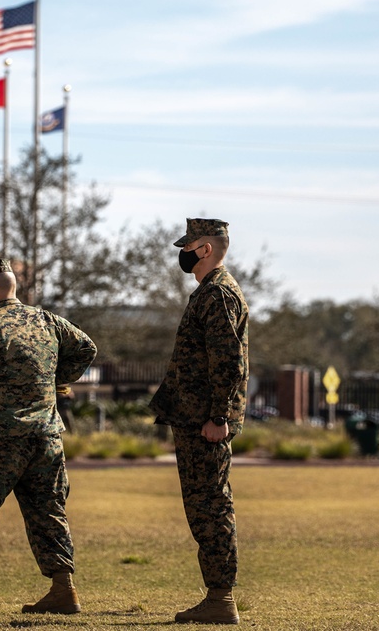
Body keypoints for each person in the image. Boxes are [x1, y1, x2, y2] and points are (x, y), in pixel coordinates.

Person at [0, 259, 97, 615]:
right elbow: (87, 348)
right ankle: (63, 589)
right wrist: (54, 381)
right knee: (49, 510)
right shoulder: (48, 322)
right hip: (45, 437)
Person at [149, 218, 249, 625]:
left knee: (210, 506)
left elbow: (228, 362)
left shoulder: (219, 294)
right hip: (192, 418)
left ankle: (221, 598)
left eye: (188, 246)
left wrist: (218, 416)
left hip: (204, 422)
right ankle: (217, 595)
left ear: (204, 249)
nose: (183, 253)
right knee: (202, 505)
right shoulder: (209, 293)